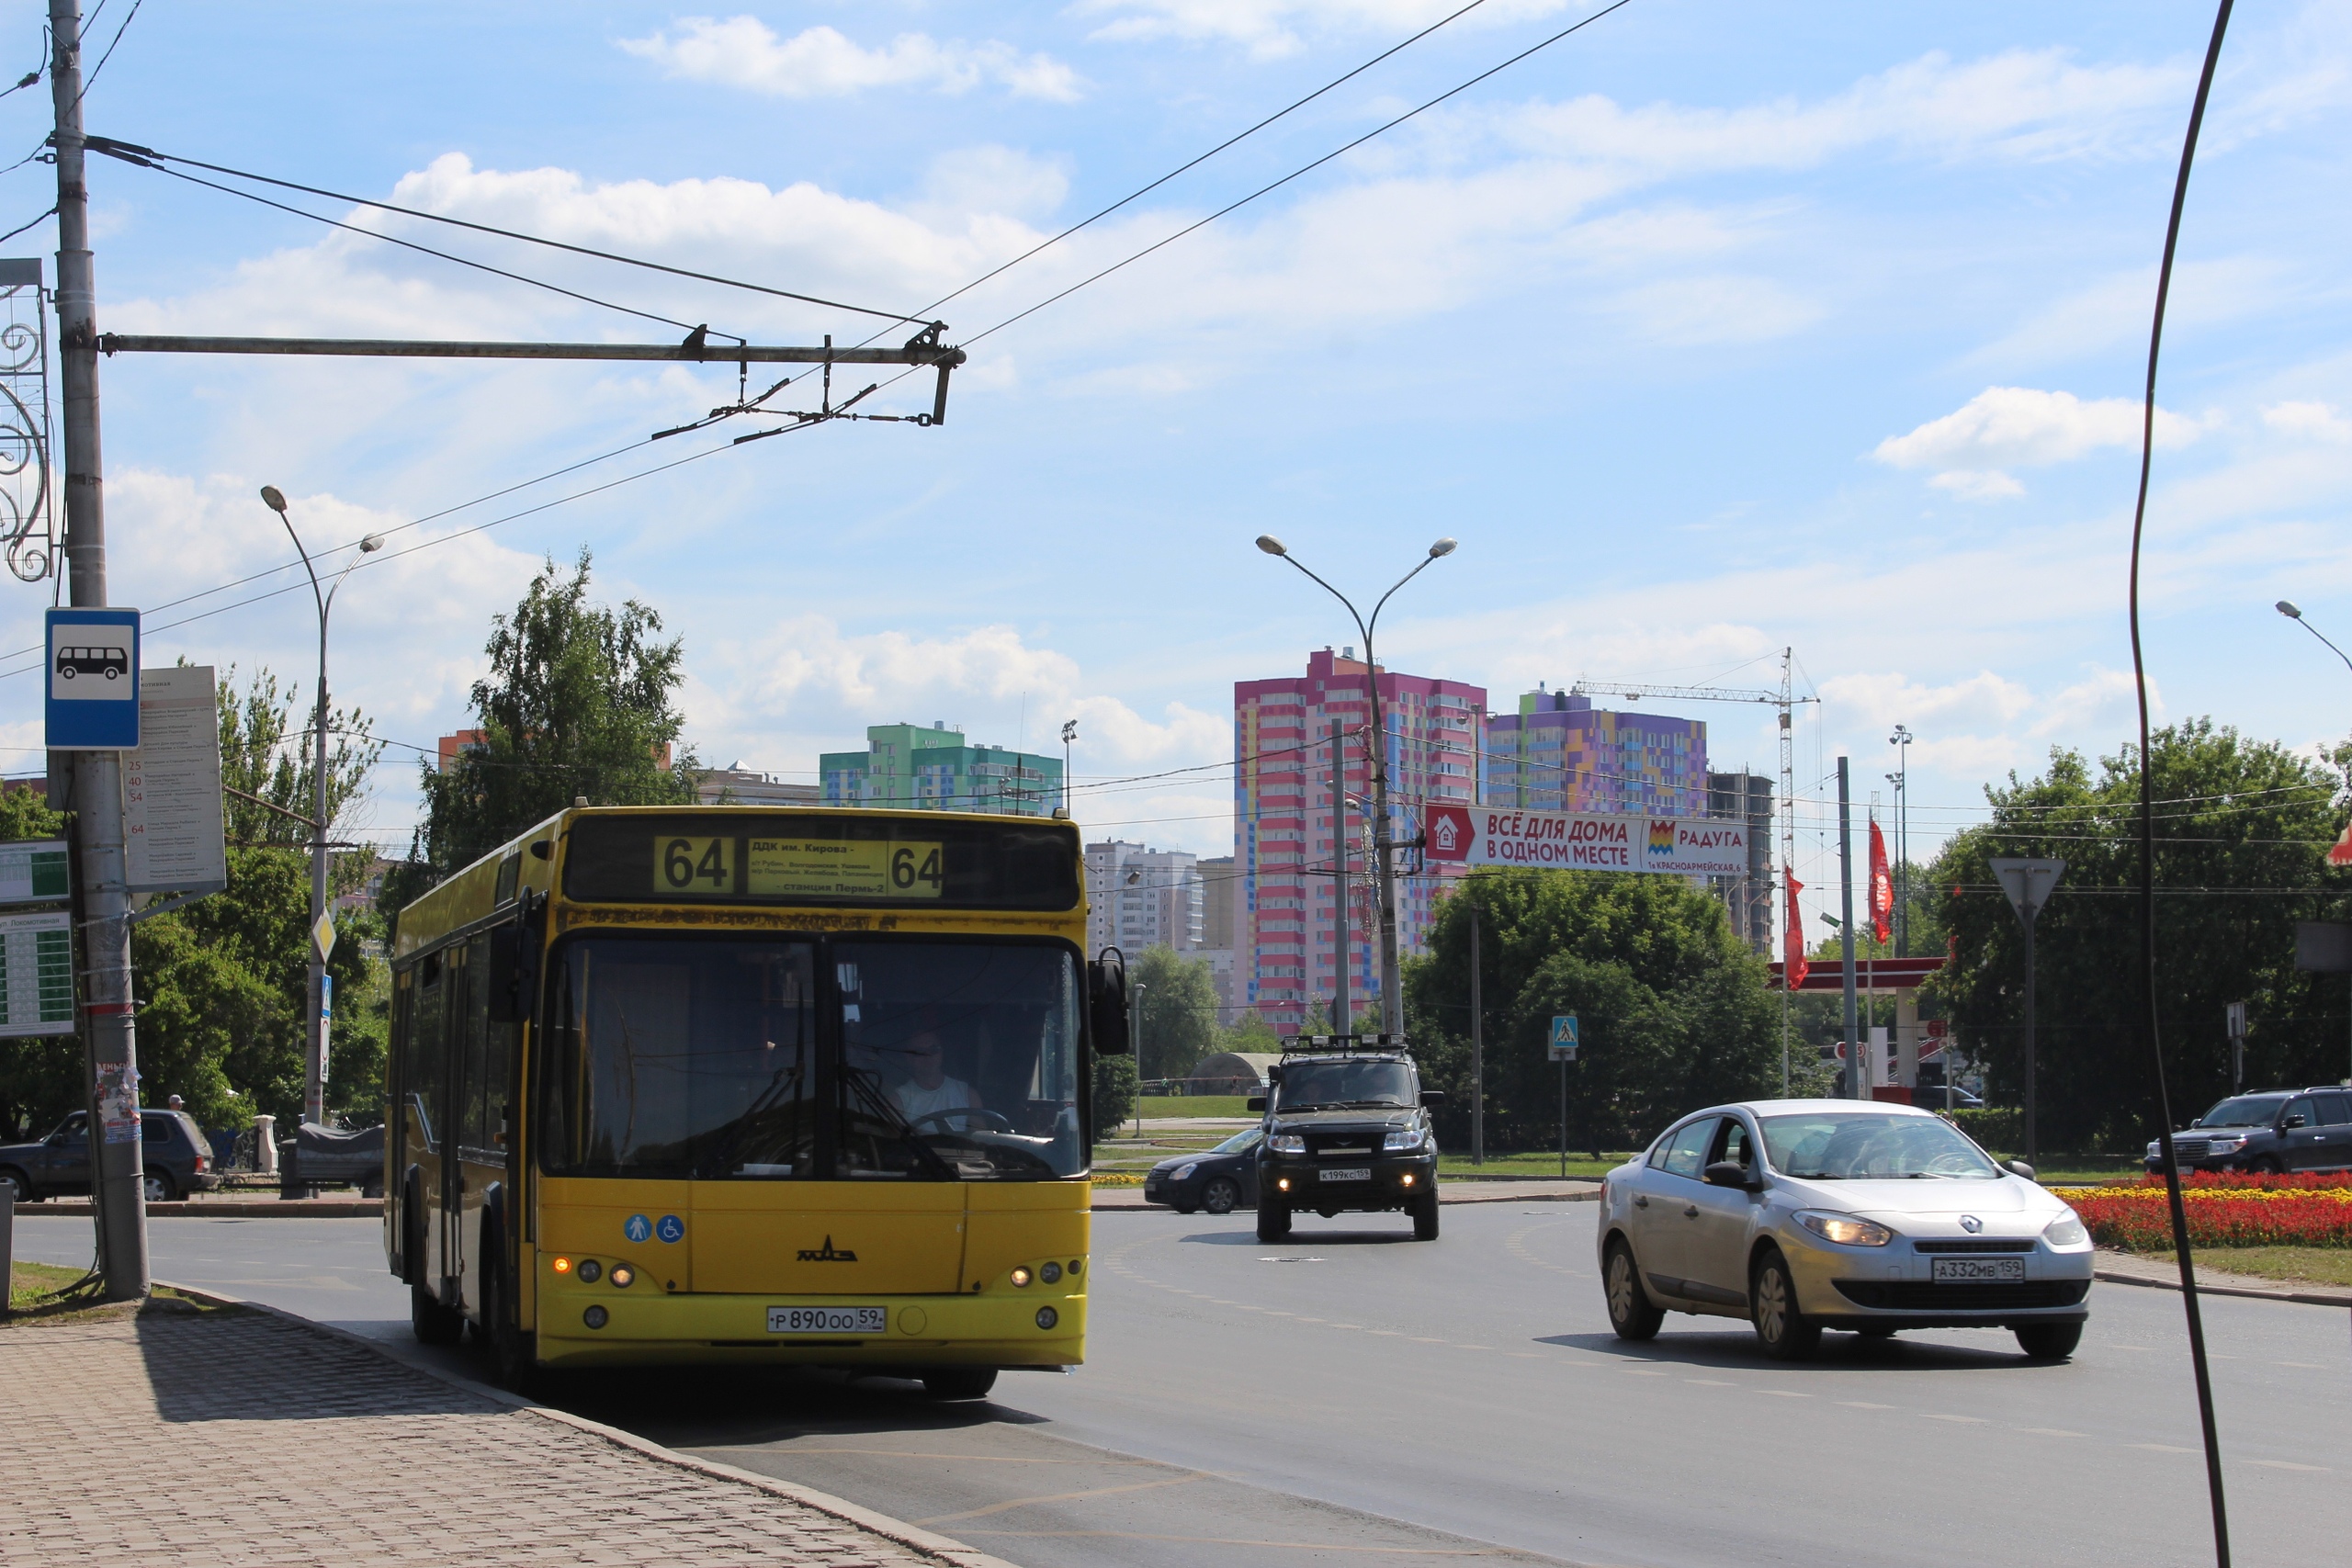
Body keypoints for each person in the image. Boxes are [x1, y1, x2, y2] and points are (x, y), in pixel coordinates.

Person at [894, 1024, 981, 1125]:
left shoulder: (968, 1095)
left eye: (933, 1049)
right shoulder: (899, 1101)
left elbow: (980, 1137)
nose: (928, 1056)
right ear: (908, 1057)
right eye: (920, 1051)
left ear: (941, 1053)